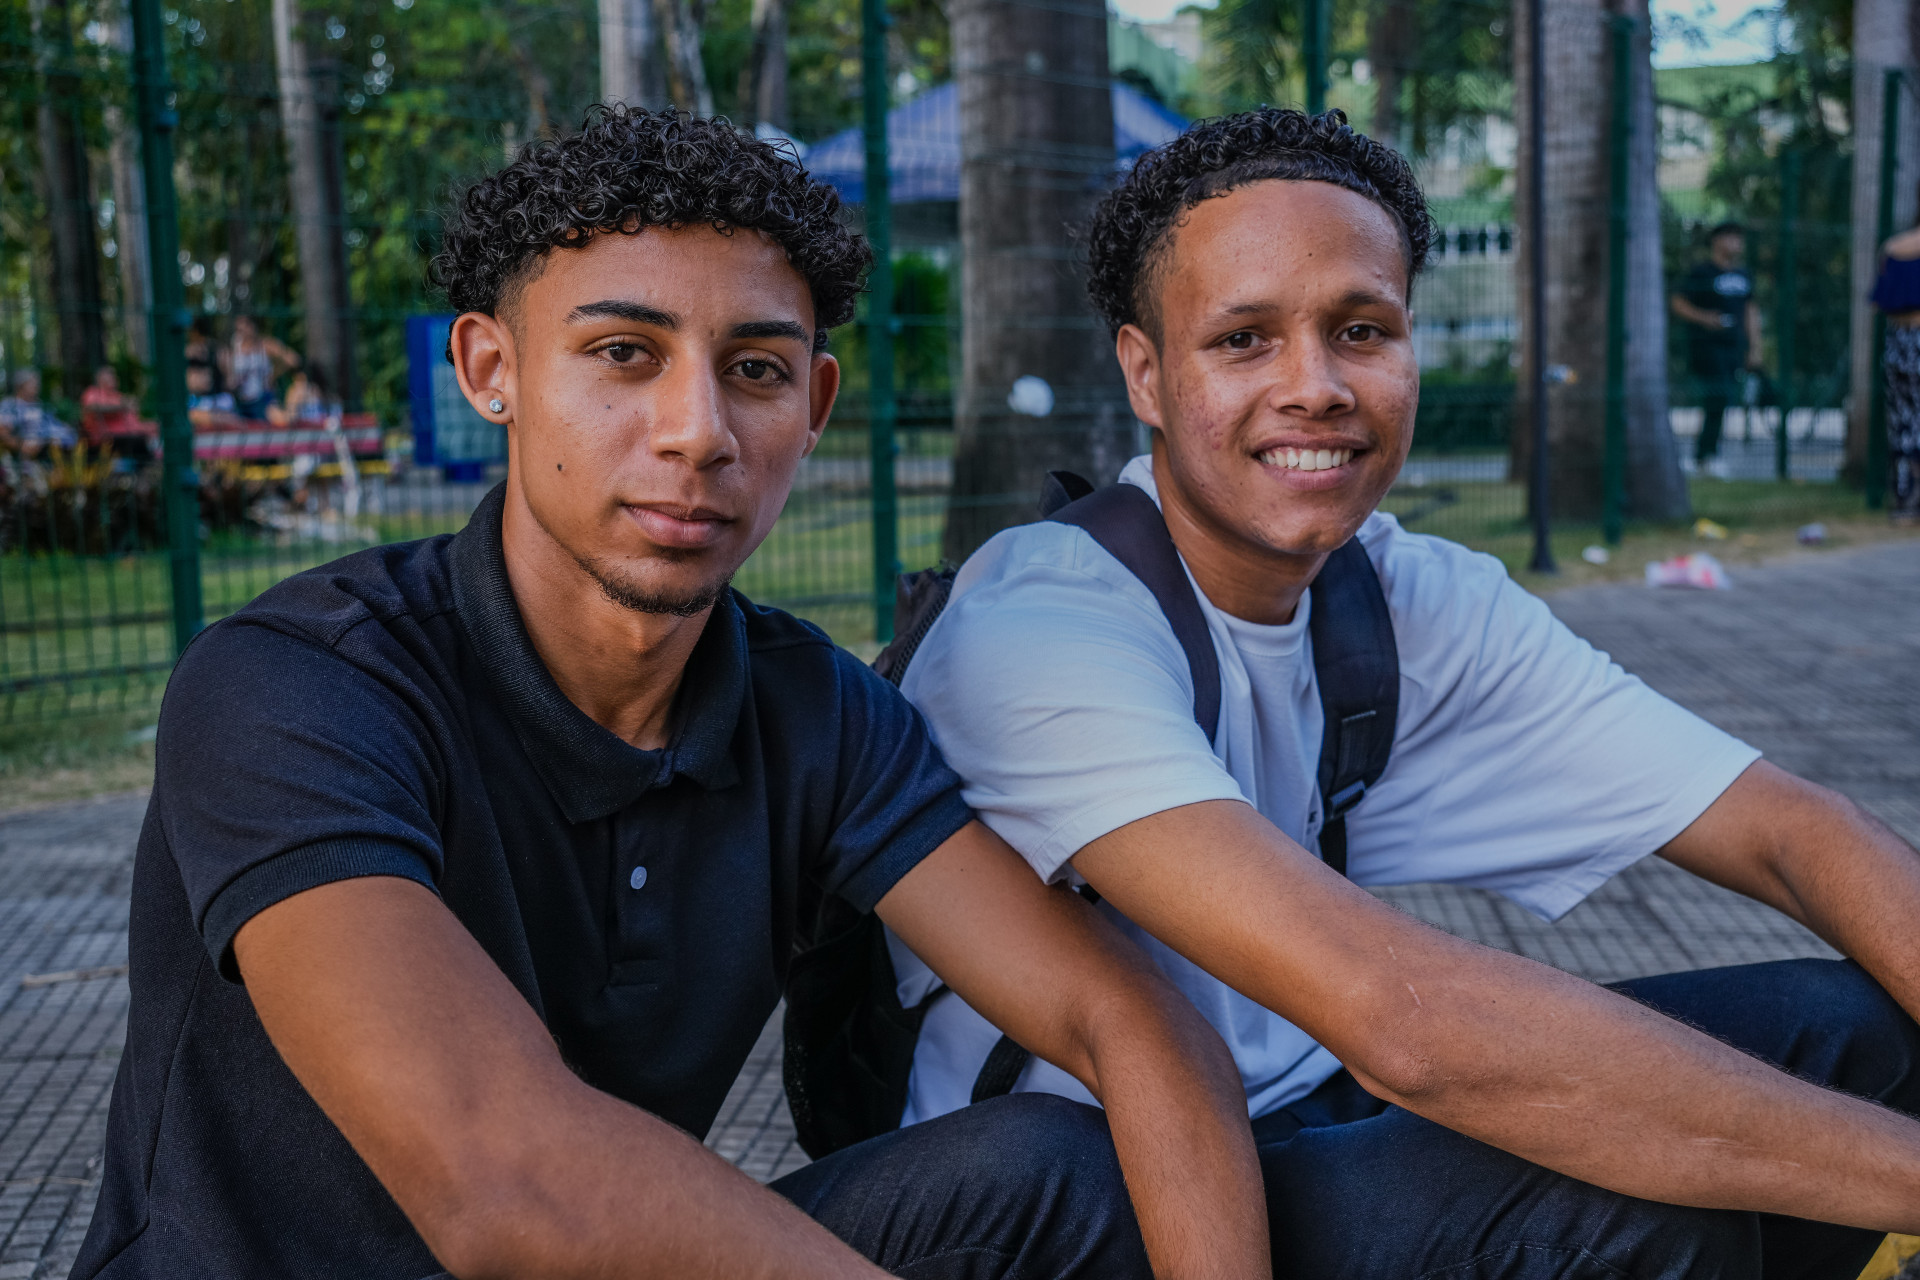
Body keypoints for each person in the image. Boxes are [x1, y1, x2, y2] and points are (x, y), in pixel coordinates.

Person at [67, 108, 1268, 1280]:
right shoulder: (300, 681)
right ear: (494, 368)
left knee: (1053, 1167)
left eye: (754, 369)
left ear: (812, 407)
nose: (698, 431)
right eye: (623, 354)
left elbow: (1132, 1021)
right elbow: (502, 1178)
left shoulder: (816, 714)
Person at [896, 107, 1920, 1279]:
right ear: (1146, 370)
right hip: (1101, 1192)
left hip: (1317, 1107)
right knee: (1636, 1200)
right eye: (1244, 340)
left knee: (1858, 1037)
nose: (1317, 385)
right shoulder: (1039, 625)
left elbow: (1797, 832)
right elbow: (1407, 1019)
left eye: (1361, 328)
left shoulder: (1406, 595)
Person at [1671, 221, 1762, 476]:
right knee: (1716, 398)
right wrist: (1704, 318)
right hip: (1707, 347)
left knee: (1723, 400)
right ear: (1717, 241)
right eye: (1731, 237)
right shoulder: (1702, 272)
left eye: (1739, 238)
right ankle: (1705, 455)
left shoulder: (1744, 275)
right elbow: (1678, 302)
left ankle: (1708, 455)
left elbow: (1750, 311)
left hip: (1733, 348)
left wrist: (1754, 348)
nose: (1736, 243)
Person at [1872, 208, 1920, 522]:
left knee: (1903, 421)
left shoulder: (1892, 248)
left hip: (1898, 344)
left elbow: (1879, 301)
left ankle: (1904, 498)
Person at [227, 313, 299, 420]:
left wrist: (273, 374)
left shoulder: (266, 345)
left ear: (253, 326)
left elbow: (293, 360)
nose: (242, 331)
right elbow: (229, 379)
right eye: (239, 328)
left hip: (264, 400)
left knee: (281, 420)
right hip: (241, 402)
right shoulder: (234, 349)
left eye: (246, 326)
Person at [0, 369, 76, 458]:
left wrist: (65, 430)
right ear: (20, 386)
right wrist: (22, 446)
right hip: (30, 453)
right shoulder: (10, 405)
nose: (37, 386)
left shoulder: (41, 405)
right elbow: (3, 432)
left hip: (54, 448)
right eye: (32, 383)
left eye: (37, 383)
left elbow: (54, 424)